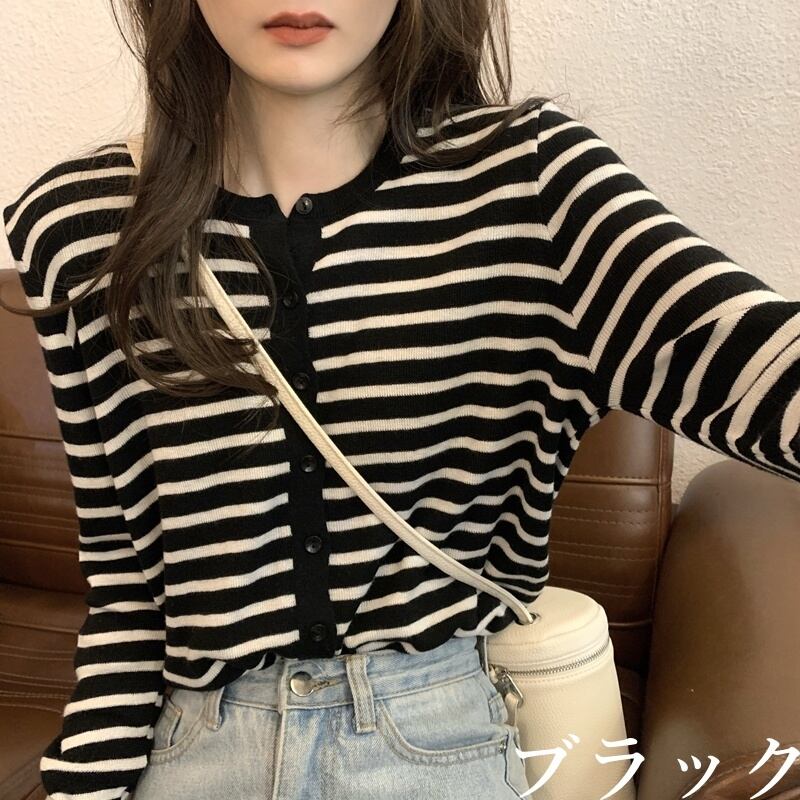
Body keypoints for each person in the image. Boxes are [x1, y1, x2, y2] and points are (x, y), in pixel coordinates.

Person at [1, 1, 798, 799]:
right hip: (193, 754)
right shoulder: (81, 226)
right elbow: (128, 589)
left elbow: (757, 367)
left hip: (438, 743)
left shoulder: (531, 188)